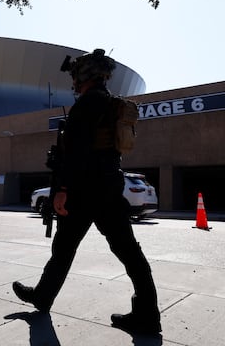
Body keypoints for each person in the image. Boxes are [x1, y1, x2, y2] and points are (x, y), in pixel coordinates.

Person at [12, 49, 161, 335]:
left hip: (83, 190)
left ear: (87, 76)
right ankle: (148, 313)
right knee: (128, 251)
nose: (74, 82)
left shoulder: (87, 104)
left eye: (76, 76)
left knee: (65, 248)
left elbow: (77, 152)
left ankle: (43, 297)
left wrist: (63, 189)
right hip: (108, 185)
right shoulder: (110, 104)